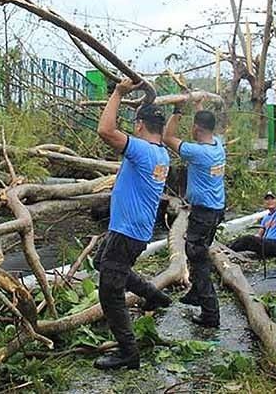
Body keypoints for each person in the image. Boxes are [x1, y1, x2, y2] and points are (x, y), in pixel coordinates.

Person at [93, 78, 173, 371]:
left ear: (139, 125)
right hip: (131, 228)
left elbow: (105, 130)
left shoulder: (142, 150)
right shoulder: (162, 154)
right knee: (102, 261)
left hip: (127, 231)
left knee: (109, 291)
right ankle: (154, 295)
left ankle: (129, 353)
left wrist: (117, 92)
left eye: (134, 123)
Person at [163, 103, 226, 328]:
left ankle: (210, 313)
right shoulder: (219, 145)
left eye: (193, 126)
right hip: (216, 210)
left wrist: (177, 112)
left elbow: (167, 136)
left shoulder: (198, 152)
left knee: (197, 258)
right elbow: (207, 127)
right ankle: (196, 293)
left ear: (197, 129)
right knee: (199, 250)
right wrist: (199, 103)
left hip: (204, 213)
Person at [229, 192, 276, 258]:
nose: (270, 201)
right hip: (266, 244)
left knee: (248, 239)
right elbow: (259, 234)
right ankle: (228, 248)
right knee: (244, 239)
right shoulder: (265, 218)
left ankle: (230, 251)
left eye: (272, 199)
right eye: (267, 199)